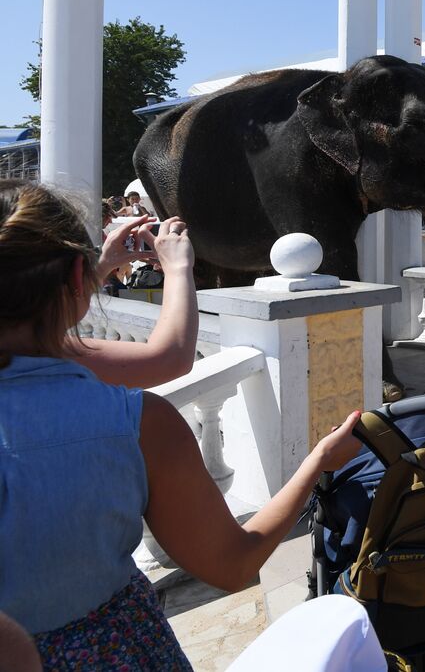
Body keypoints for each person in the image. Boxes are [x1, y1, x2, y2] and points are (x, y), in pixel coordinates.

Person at [0, 181, 363, 670]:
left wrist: (93, 269)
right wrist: (318, 460)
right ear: (75, 277)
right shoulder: (139, 424)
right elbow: (232, 564)